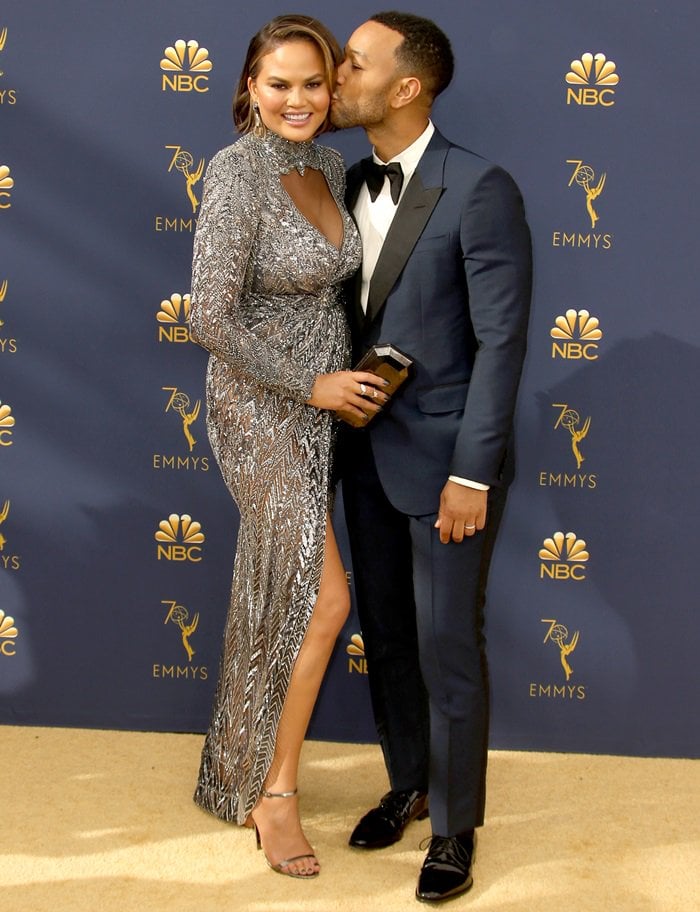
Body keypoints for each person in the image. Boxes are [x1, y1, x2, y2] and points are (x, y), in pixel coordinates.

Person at [331, 11, 532, 903]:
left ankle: (454, 827)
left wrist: (472, 473)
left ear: (406, 87)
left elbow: (502, 346)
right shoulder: (336, 184)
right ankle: (407, 781)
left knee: (448, 644)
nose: (336, 74)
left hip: (446, 464)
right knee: (388, 638)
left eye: (353, 63)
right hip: (362, 457)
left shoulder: (480, 186)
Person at [188, 14, 388, 880]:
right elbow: (209, 315)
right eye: (280, 84)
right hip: (262, 406)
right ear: (249, 88)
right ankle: (274, 797)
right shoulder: (234, 176)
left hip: (325, 407)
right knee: (321, 602)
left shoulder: (330, 164)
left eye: (313, 83)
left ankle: (232, 769)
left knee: (280, 590)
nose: (299, 100)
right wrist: (311, 385)